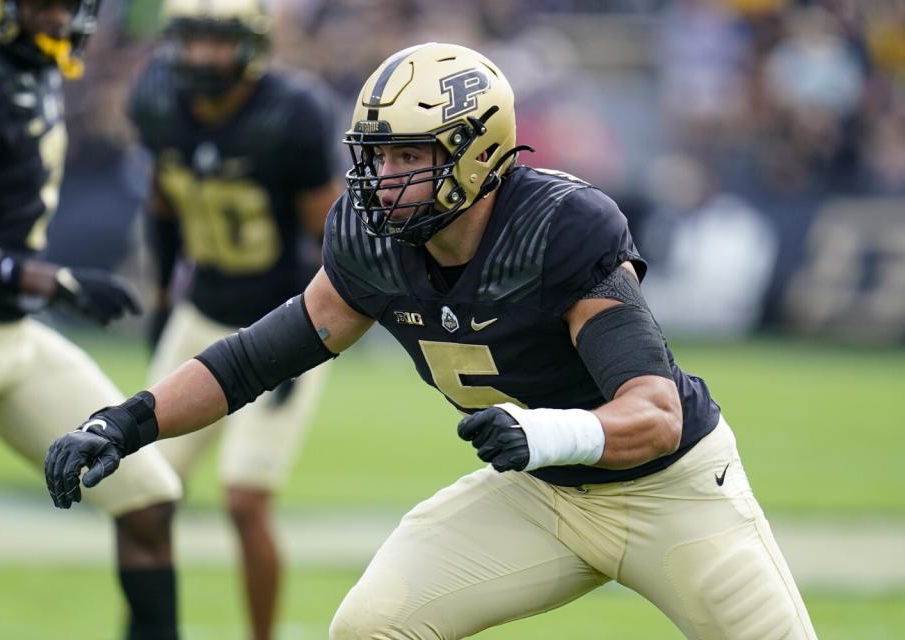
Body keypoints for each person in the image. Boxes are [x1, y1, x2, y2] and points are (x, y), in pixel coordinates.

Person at [45, 42, 818, 640]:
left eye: (409, 154)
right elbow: (251, 360)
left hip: (669, 492)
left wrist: (542, 431)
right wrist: (128, 420)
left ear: (477, 153)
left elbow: (655, 414)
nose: (383, 176)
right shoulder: (372, 243)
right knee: (371, 626)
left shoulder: (557, 230)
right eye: (377, 154)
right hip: (543, 498)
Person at [0, 1, 184, 638]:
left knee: (147, 498)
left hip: (9, 333)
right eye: (48, 4)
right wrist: (50, 279)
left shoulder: (27, 65)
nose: (65, 19)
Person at [127, 0, 339, 637]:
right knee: (142, 495)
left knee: (245, 501)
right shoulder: (158, 99)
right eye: (192, 41)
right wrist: (163, 297)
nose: (202, 58)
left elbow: (326, 240)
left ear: (250, 47)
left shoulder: (292, 113)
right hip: (200, 315)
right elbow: (163, 204)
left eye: (217, 42)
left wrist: (302, 342)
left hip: (278, 324)